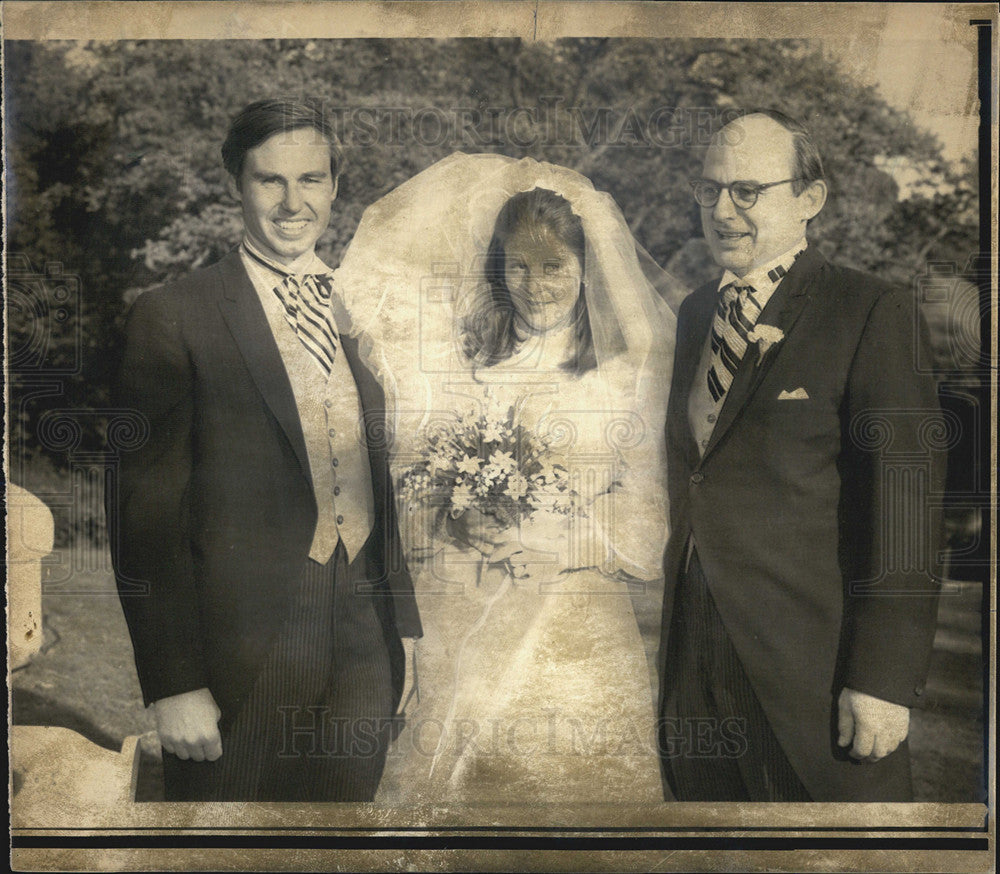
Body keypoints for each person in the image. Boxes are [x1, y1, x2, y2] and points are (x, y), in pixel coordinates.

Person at [335, 153, 682, 802]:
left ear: (587, 268)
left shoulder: (621, 373)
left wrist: (552, 543)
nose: (536, 283)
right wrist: (457, 514)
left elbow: (649, 515)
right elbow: (425, 481)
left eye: (555, 266)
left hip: (572, 624)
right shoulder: (473, 364)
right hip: (465, 618)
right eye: (518, 266)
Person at [106, 98, 420, 801]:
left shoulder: (362, 308)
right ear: (235, 182)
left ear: (335, 185)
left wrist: (405, 628)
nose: (292, 203)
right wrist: (173, 683)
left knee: (341, 851)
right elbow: (143, 518)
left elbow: (378, 478)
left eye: (311, 180)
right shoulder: (174, 314)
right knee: (228, 851)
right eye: (269, 181)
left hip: (364, 639)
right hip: (240, 652)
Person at [657, 110, 945, 802]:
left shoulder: (872, 310)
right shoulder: (695, 314)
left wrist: (882, 679)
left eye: (748, 191)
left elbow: (907, 509)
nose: (723, 210)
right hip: (694, 672)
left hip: (812, 681)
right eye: (710, 190)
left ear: (809, 200)